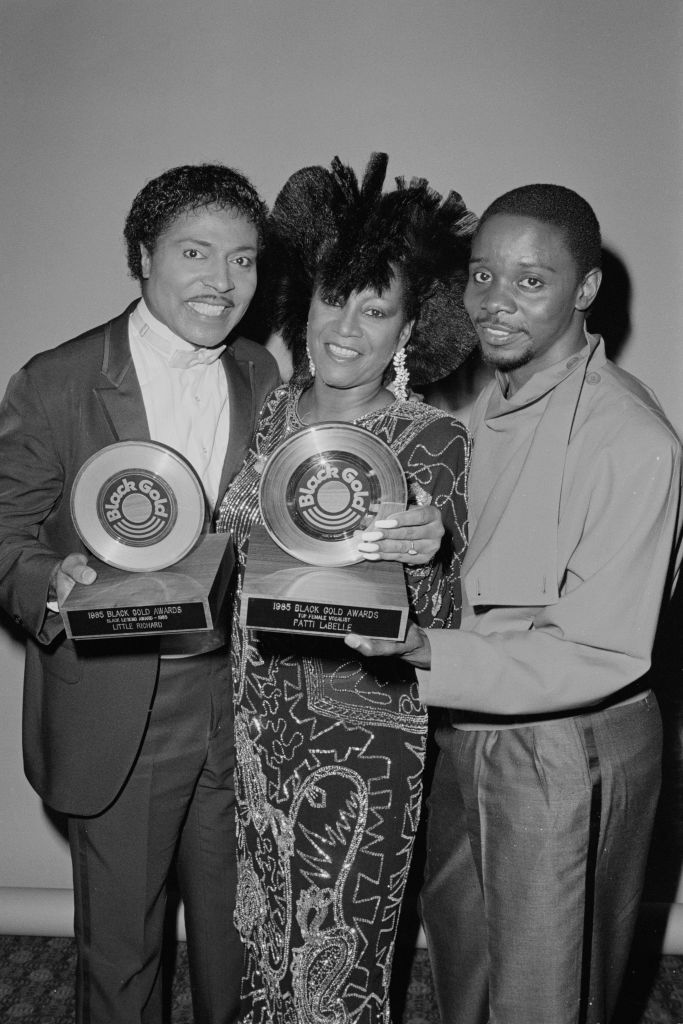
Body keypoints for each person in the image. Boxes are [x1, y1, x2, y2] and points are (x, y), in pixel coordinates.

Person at [345, 184, 683, 1024]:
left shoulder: (629, 439)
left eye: (530, 281)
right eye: (481, 275)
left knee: (544, 992)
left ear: (585, 288)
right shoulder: (492, 404)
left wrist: (423, 649)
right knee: (466, 967)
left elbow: (598, 650)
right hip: (468, 726)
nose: (494, 302)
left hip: (564, 744)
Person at [0, 164, 281, 1024]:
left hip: (239, 703)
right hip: (120, 700)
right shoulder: (58, 379)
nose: (222, 281)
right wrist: (48, 581)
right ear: (142, 256)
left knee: (240, 940)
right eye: (195, 252)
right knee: (122, 957)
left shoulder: (261, 371)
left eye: (243, 259)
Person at [216, 152, 477, 1023]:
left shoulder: (432, 438)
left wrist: (429, 552)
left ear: (410, 329)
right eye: (335, 299)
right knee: (266, 935)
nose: (346, 328)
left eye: (376, 309)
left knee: (338, 951)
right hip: (259, 717)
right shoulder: (274, 411)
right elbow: (232, 548)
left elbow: (442, 619)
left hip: (360, 736)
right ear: (305, 301)